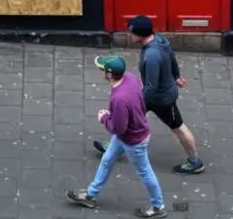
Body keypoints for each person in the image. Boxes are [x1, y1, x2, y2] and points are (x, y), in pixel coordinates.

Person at [93, 15, 204, 175]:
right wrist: (176, 75)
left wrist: (136, 103)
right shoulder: (159, 38)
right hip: (154, 94)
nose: (130, 35)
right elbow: (171, 56)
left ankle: (195, 162)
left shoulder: (151, 56)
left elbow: (152, 87)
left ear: (139, 34)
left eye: (131, 32)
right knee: (124, 118)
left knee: (178, 128)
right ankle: (113, 148)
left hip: (162, 99)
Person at [67, 55, 167, 218]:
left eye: (103, 70)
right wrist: (115, 115)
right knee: (107, 160)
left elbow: (119, 129)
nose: (102, 72)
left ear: (109, 74)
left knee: (145, 172)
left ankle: (158, 206)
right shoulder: (130, 78)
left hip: (133, 141)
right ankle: (90, 195)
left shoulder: (119, 99)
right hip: (133, 133)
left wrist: (104, 118)